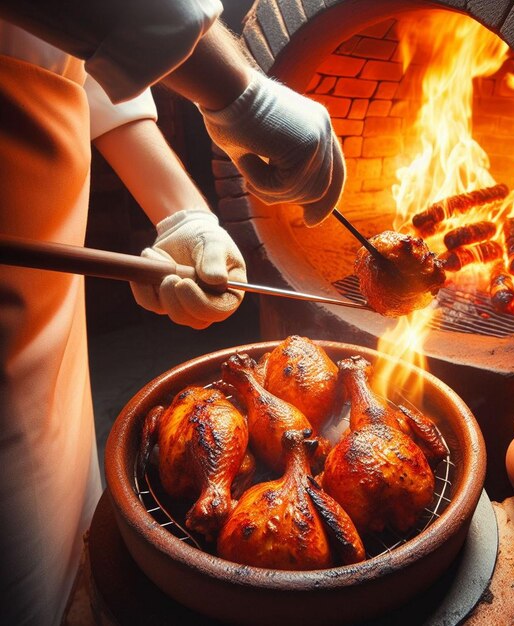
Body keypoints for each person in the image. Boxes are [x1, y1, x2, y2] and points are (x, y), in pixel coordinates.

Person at [0, 2, 345, 624]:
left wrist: (182, 211)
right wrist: (241, 97)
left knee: (74, 533)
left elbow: (78, 61)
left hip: (44, 267)